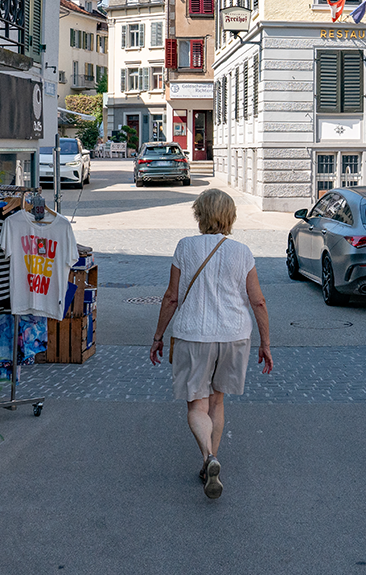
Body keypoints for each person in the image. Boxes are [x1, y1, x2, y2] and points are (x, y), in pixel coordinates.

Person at [149, 189, 274, 499]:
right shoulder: (242, 251)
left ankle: (208, 457)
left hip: (193, 335)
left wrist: (158, 336)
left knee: (196, 405)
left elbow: (171, 297)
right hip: (234, 336)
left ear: (199, 215)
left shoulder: (185, 247)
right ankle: (210, 464)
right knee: (217, 402)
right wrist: (266, 343)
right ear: (229, 217)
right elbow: (257, 301)